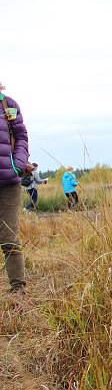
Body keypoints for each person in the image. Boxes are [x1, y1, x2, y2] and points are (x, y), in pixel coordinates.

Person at [0, 83, 30, 293]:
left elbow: (21, 137)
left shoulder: (8, 104)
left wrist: (17, 165)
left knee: (9, 237)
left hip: (8, 182)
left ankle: (18, 291)